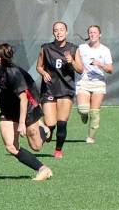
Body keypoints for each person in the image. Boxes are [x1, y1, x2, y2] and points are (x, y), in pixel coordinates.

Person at [0, 42, 52, 181]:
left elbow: (23, 99)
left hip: (27, 106)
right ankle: (43, 169)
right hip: (8, 109)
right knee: (11, 146)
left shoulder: (13, 73)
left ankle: (42, 130)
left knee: (36, 147)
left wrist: (22, 124)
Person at [36, 21, 83, 159]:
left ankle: (58, 150)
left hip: (66, 89)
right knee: (50, 123)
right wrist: (43, 73)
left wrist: (72, 62)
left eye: (61, 30)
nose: (59, 32)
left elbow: (80, 69)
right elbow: (39, 66)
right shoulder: (45, 48)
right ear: (53, 33)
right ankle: (48, 129)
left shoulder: (74, 49)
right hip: (49, 89)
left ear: (66, 32)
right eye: (56, 30)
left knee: (62, 121)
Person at [75, 25, 113, 144]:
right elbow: (76, 63)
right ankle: (83, 115)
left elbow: (110, 69)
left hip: (98, 83)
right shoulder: (81, 48)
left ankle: (91, 138)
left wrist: (100, 64)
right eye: (90, 32)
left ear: (99, 34)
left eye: (95, 32)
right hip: (83, 82)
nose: (92, 34)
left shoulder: (105, 50)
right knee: (83, 109)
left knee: (95, 112)